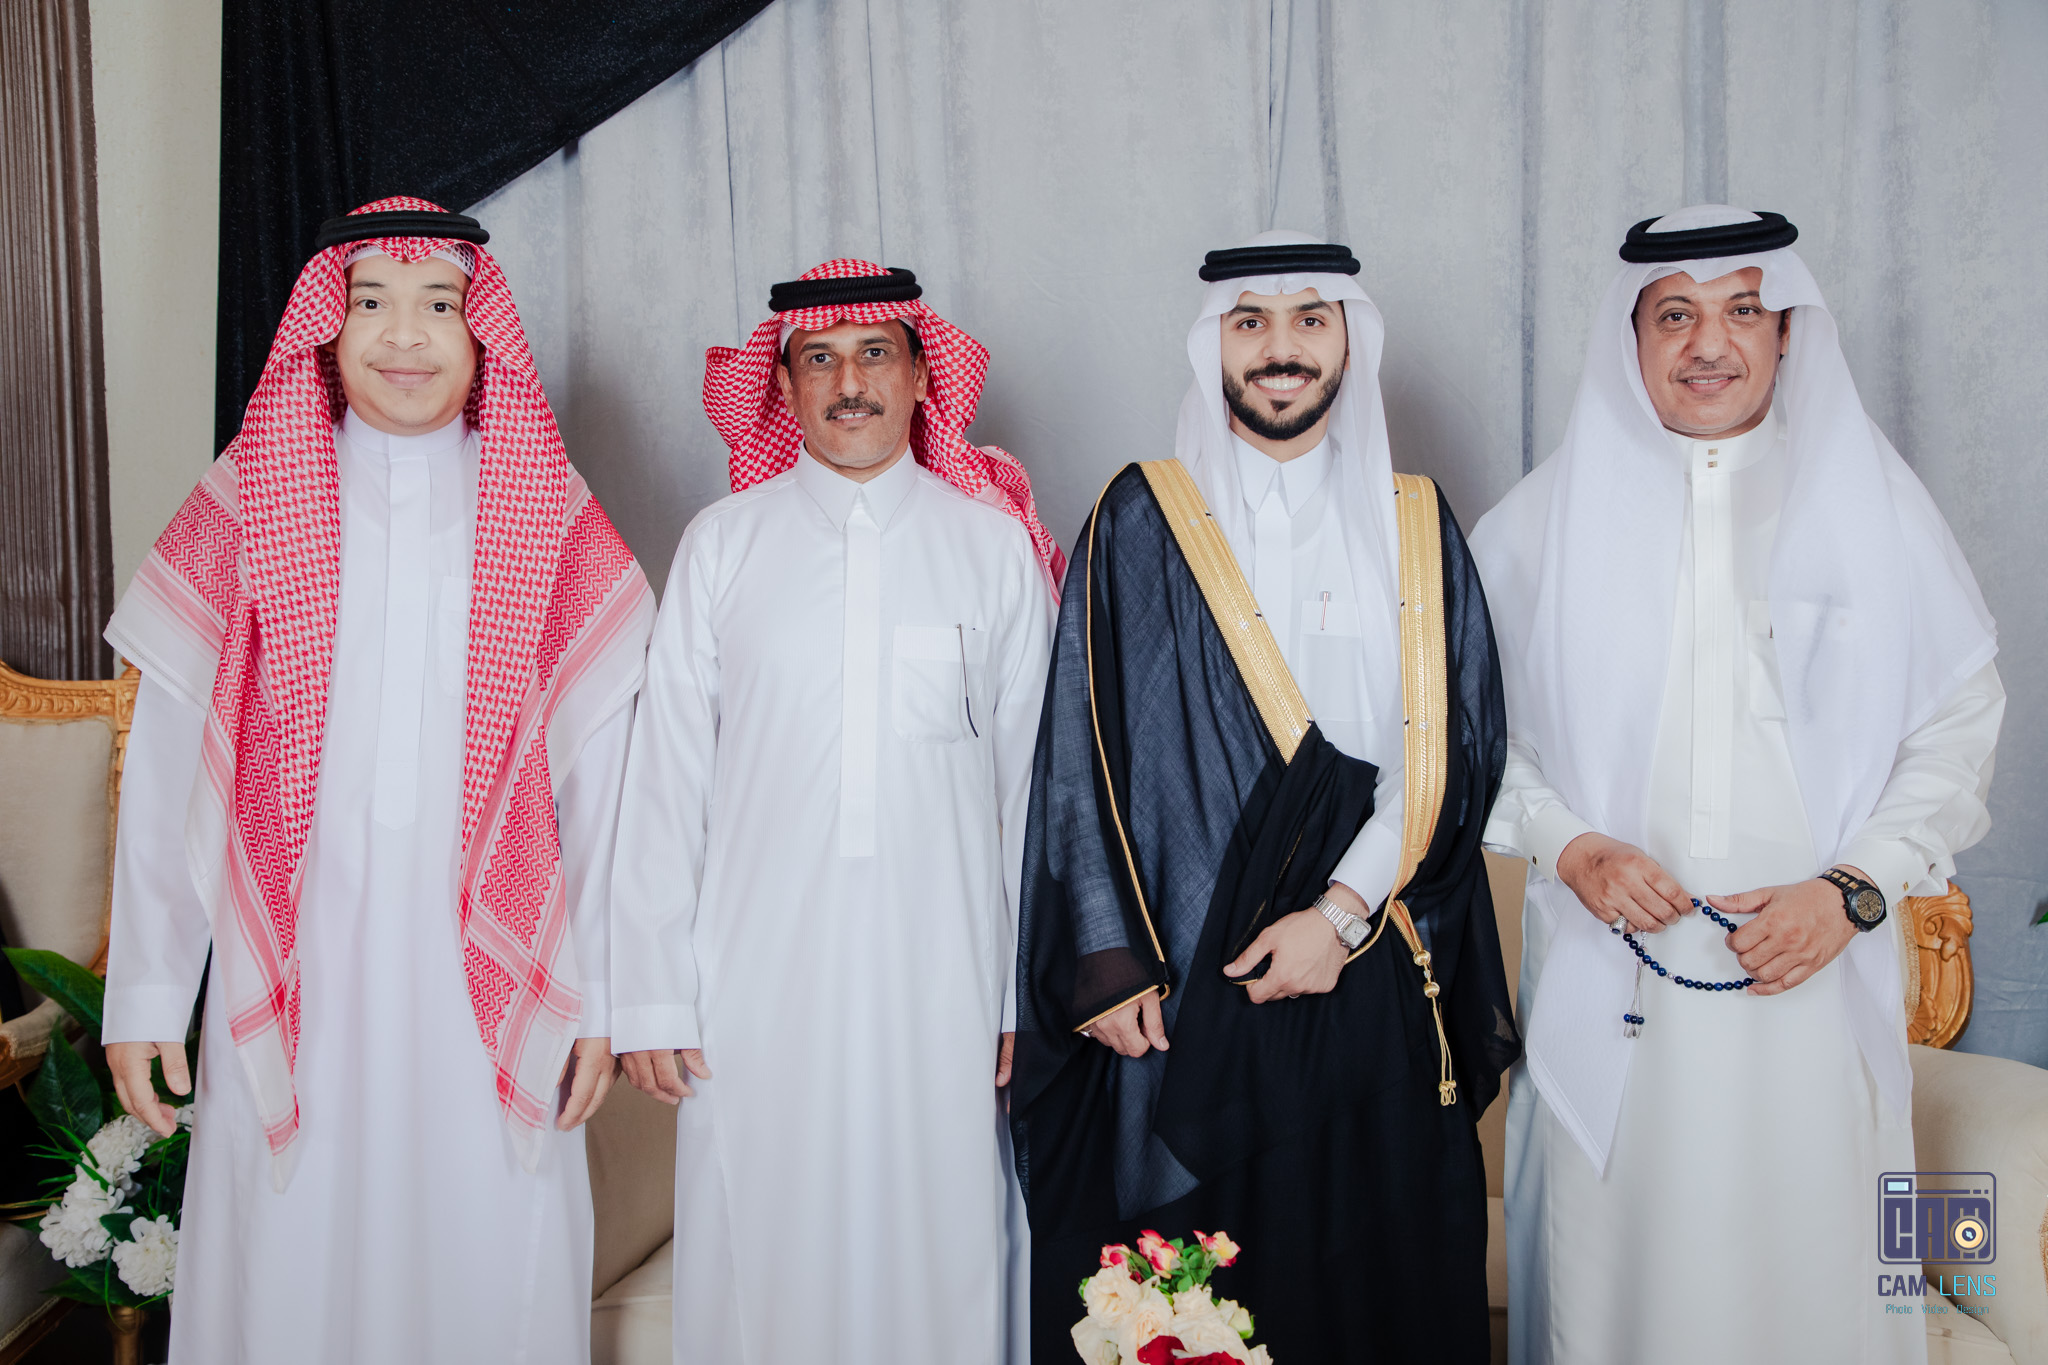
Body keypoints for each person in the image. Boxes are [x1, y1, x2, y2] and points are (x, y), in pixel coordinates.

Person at [99, 198, 654, 1363]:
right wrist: (148, 992)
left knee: (485, 1254)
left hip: (490, 970)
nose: (405, 334)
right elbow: (168, 767)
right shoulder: (249, 500)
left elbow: (606, 788)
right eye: (371, 303)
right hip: (296, 962)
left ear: (480, 331)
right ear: (327, 328)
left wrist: (607, 995)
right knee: (289, 1262)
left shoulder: (546, 513)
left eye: (438, 304)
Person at [1473, 206, 2003, 1365]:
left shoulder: (1871, 505)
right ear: (1631, 338)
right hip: (1615, 985)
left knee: (1817, 1283)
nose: (1706, 343)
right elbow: (1460, 730)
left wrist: (1852, 891)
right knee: (1617, 1293)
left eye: (1740, 311)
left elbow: (1957, 727)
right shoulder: (1537, 525)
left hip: (1813, 977)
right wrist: (1567, 844)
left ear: (1784, 333)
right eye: (1674, 315)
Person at [1010, 231, 1518, 1363]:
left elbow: (1449, 750)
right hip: (1185, 988)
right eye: (1250, 323)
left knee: (1365, 1279)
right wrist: (1108, 965)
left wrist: (1338, 915)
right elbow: (1079, 758)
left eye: (1308, 320)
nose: (1279, 349)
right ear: (1214, 347)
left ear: (1348, 342)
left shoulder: (1414, 521)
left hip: (1367, 961)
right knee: (1194, 1289)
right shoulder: (1139, 518)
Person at [609, 260, 1060, 1364]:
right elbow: (666, 779)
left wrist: (1023, 990)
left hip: (947, 980)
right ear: (783, 384)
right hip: (752, 985)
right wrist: (652, 992)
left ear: (923, 378)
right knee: (763, 1246)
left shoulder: (991, 546)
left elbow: (1031, 793)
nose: (848, 382)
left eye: (873, 355)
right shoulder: (723, 544)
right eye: (819, 358)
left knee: (944, 1242)